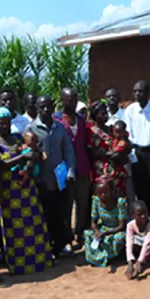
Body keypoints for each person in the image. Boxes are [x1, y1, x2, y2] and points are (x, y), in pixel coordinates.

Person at [0, 107, 53, 275]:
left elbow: (35, 153)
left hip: (27, 187)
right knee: (14, 228)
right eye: (1, 122)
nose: (4, 125)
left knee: (34, 222)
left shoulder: (18, 138)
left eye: (7, 122)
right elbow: (0, 166)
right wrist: (23, 158)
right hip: (8, 191)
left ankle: (39, 260)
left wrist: (33, 160)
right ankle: (19, 265)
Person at [26, 96, 77, 258]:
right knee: (45, 213)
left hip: (60, 178)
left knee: (61, 213)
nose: (46, 110)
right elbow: (28, 153)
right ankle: (46, 247)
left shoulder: (60, 127)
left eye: (49, 106)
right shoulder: (31, 128)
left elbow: (68, 151)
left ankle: (61, 245)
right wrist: (36, 178)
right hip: (42, 180)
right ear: (37, 108)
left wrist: (70, 171)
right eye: (42, 107)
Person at [54, 87, 92, 247]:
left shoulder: (81, 120)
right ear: (62, 100)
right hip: (65, 170)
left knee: (83, 204)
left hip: (82, 169)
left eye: (75, 99)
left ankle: (81, 234)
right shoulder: (56, 120)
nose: (73, 102)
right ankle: (67, 238)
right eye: (70, 100)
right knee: (66, 205)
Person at [125, 81, 150, 221]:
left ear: (148, 92)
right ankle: (148, 225)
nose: (137, 94)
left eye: (140, 91)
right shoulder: (130, 110)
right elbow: (128, 134)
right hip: (137, 154)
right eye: (135, 91)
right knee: (142, 193)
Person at [83, 179, 128, 268]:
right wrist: (97, 231)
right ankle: (97, 258)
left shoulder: (120, 202)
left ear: (112, 191)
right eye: (100, 193)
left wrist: (106, 233)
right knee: (87, 233)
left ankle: (108, 257)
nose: (102, 195)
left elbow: (121, 225)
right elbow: (93, 222)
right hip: (102, 229)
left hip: (115, 230)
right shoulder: (96, 200)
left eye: (105, 192)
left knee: (119, 238)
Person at [126, 201, 150, 280]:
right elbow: (129, 242)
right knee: (132, 241)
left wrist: (139, 262)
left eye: (145, 213)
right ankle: (143, 259)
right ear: (133, 215)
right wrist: (130, 263)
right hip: (142, 242)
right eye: (139, 215)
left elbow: (148, 242)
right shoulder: (130, 225)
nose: (143, 216)